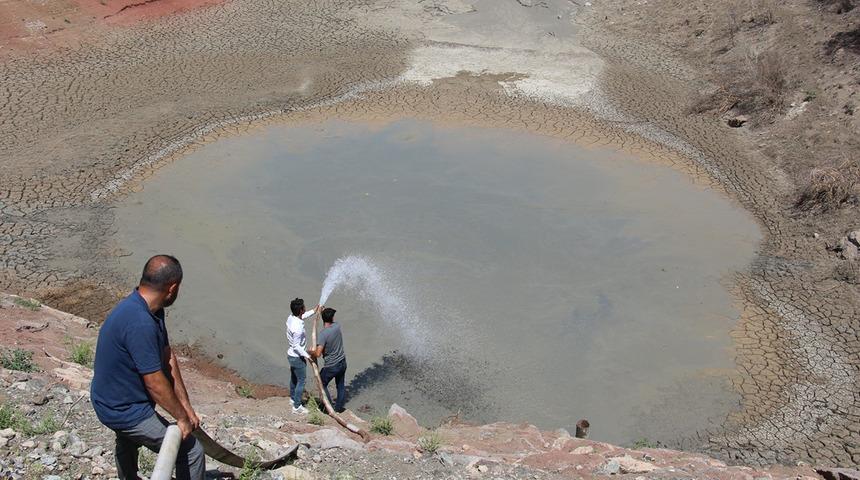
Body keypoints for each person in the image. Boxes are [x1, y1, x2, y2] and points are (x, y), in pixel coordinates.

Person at [91, 255, 204, 480]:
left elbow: (167, 356)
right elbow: (154, 383)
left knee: (127, 441)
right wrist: (181, 419)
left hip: (118, 398)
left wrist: (185, 406)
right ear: (172, 288)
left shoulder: (152, 309)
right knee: (191, 451)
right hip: (121, 409)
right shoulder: (139, 322)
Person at [310, 307, 347, 412]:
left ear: (323, 318)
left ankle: (328, 407)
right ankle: (339, 409)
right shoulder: (337, 326)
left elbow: (317, 353)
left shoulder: (323, 334)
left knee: (321, 382)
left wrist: (310, 351)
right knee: (340, 385)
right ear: (332, 318)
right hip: (342, 362)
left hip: (332, 366)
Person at [286, 297, 320, 414]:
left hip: (291, 356)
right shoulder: (298, 329)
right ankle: (297, 407)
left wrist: (314, 311)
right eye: (304, 307)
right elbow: (296, 346)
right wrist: (308, 356)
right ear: (301, 310)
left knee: (294, 378)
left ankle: (292, 398)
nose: (305, 308)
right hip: (297, 358)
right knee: (301, 380)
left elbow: (302, 317)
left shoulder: (291, 318)